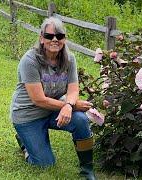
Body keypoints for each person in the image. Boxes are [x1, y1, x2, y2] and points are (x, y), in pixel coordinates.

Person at [10, 17, 96, 180]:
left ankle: (87, 170)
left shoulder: (69, 59)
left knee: (80, 120)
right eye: (49, 36)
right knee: (44, 164)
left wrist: (69, 106)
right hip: (28, 116)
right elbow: (39, 100)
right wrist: (72, 105)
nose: (54, 39)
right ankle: (24, 141)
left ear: (64, 38)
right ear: (41, 38)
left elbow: (73, 89)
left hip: (52, 111)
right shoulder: (29, 60)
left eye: (59, 36)